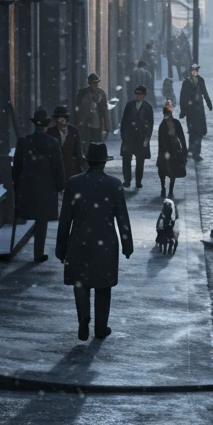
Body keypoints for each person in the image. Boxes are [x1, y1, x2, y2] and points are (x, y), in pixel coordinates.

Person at [56, 140, 133, 341]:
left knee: (81, 283)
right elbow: (122, 217)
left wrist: (61, 247)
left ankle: (83, 318)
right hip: (105, 242)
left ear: (87, 161)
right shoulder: (114, 185)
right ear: (104, 162)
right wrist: (127, 245)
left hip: (79, 240)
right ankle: (100, 327)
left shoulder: (74, 183)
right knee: (103, 286)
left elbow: (65, 218)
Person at [13, 108, 66, 263]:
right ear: (46, 125)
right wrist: (60, 185)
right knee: (41, 221)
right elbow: (58, 167)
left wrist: (16, 184)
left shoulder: (24, 141)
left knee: (31, 215)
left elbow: (17, 166)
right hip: (46, 186)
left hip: (28, 185)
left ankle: (37, 252)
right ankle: (38, 252)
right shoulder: (52, 142)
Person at [119, 85, 154, 189]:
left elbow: (150, 124)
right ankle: (127, 181)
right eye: (137, 94)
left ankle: (138, 181)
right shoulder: (129, 105)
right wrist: (124, 137)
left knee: (140, 161)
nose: (138, 96)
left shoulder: (148, 107)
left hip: (141, 138)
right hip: (129, 137)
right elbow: (124, 121)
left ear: (144, 95)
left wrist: (147, 138)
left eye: (140, 94)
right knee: (126, 159)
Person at [179, 64, 213, 160]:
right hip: (190, 111)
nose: (195, 72)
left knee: (199, 131)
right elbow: (183, 97)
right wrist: (183, 110)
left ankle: (196, 151)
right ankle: (191, 149)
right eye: (193, 70)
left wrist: (209, 103)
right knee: (192, 131)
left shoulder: (201, 80)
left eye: (196, 70)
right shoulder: (186, 82)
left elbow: (205, 93)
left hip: (199, 110)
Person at [156, 102, 188, 199]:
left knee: (173, 170)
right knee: (162, 170)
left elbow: (181, 137)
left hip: (174, 149)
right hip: (165, 150)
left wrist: (184, 150)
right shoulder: (162, 125)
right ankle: (163, 188)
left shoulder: (176, 123)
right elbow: (161, 140)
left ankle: (170, 190)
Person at [74, 73, 109, 156]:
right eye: (93, 83)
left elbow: (104, 110)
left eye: (96, 83)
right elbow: (77, 107)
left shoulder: (101, 93)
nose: (95, 85)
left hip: (96, 122)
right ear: (89, 83)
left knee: (96, 142)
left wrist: (106, 126)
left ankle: (95, 156)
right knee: (85, 142)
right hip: (84, 122)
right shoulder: (83, 93)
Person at [48, 106, 85, 181]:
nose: (61, 121)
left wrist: (81, 167)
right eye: (58, 118)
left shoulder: (73, 131)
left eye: (63, 118)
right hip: (56, 168)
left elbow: (78, 151)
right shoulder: (51, 132)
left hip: (71, 168)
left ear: (67, 119)